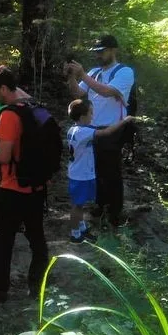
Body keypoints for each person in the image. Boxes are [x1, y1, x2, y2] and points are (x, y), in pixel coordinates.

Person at [0, 66, 48, 303]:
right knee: (37, 239)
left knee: (2, 240)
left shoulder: (9, 114)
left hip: (13, 189)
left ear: (4, 89)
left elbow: (5, 157)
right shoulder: (35, 109)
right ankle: (38, 287)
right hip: (37, 187)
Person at [64, 34, 136, 227]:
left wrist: (83, 75)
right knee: (94, 169)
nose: (98, 55)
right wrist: (71, 77)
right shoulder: (94, 72)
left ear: (113, 50)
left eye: (101, 51)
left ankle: (114, 212)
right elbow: (78, 94)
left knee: (111, 171)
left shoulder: (124, 72)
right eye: (96, 52)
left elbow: (107, 91)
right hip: (91, 129)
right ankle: (100, 204)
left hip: (112, 129)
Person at [66, 98, 140, 243]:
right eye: (90, 113)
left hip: (79, 172)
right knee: (77, 205)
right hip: (80, 175)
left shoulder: (73, 129)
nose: (92, 116)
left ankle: (81, 228)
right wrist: (124, 121)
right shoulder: (83, 132)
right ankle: (75, 234)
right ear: (82, 116)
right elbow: (106, 132)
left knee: (80, 204)